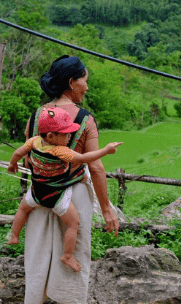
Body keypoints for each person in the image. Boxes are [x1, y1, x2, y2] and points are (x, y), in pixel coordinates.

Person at [17, 55, 120, 303]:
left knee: (38, 254)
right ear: (72, 82)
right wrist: (106, 209)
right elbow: (95, 167)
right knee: (74, 253)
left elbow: (28, 159)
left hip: (41, 196)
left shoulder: (37, 116)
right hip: (74, 198)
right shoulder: (84, 119)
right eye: (85, 80)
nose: (87, 86)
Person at [7, 107, 123, 272]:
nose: (70, 137)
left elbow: (18, 152)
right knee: (73, 223)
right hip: (55, 195)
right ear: (50, 136)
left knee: (23, 209)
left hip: (36, 192)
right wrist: (106, 150)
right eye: (66, 134)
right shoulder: (60, 151)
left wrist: (12, 164)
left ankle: (14, 235)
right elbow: (84, 158)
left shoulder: (33, 142)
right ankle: (67, 256)